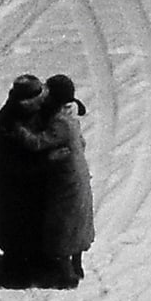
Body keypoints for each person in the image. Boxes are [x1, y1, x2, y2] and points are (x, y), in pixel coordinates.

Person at [34, 73, 95, 288]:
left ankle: (66, 274)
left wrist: (21, 133)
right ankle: (76, 265)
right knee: (77, 222)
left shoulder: (60, 122)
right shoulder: (70, 117)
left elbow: (39, 143)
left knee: (63, 224)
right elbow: (81, 143)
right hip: (77, 176)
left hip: (66, 180)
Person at [0, 73, 51, 281]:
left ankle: (31, 261)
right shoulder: (9, 122)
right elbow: (16, 161)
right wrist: (46, 160)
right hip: (14, 182)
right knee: (16, 225)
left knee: (31, 224)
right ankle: (16, 269)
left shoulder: (25, 115)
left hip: (30, 181)